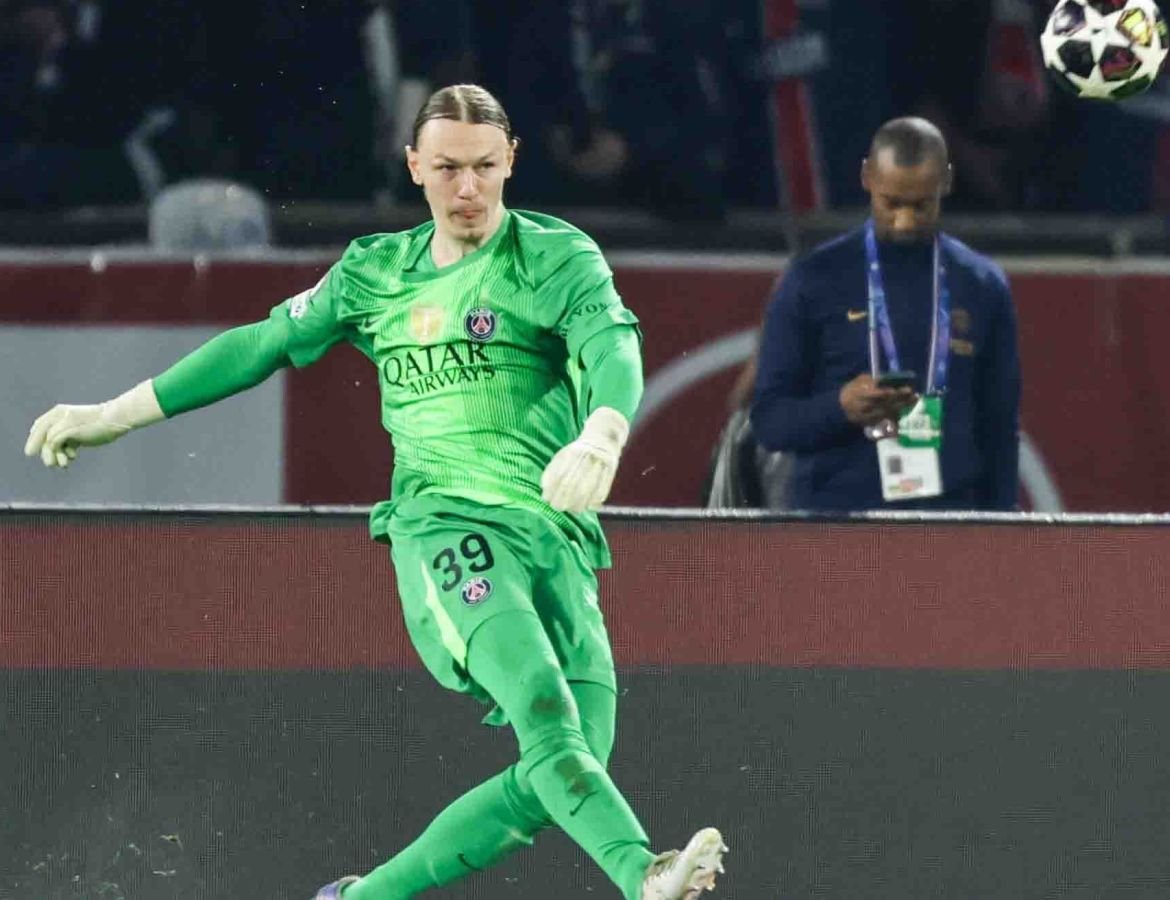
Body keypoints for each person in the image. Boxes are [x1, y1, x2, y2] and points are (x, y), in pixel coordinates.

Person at [23, 84, 726, 900]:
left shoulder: (557, 257)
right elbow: (261, 344)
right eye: (449, 169)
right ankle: (644, 873)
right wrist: (113, 414)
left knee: (566, 769)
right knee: (543, 707)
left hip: (556, 536)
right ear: (415, 166)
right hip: (447, 526)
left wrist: (603, 430)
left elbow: (612, 346)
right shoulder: (375, 272)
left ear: (512, 161)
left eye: (486, 167)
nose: (469, 188)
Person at [750, 116, 1021, 512]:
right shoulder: (813, 278)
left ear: (946, 182)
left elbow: (1000, 425)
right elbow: (769, 421)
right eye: (891, 203)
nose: (905, 221)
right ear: (867, 177)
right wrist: (840, 407)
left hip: (950, 520)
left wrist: (1001, 528)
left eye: (921, 205)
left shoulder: (982, 284)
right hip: (835, 521)